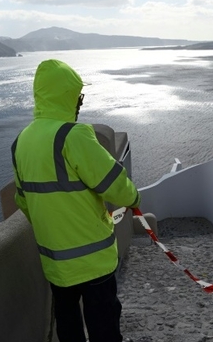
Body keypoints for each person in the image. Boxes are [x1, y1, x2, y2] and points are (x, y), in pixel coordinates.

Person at [11, 59, 141, 342]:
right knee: (104, 328)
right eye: (79, 96)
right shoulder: (73, 136)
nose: (80, 103)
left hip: (56, 263)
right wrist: (134, 197)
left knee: (68, 328)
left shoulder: (21, 142)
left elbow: (23, 202)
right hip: (94, 261)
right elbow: (114, 186)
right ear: (68, 96)